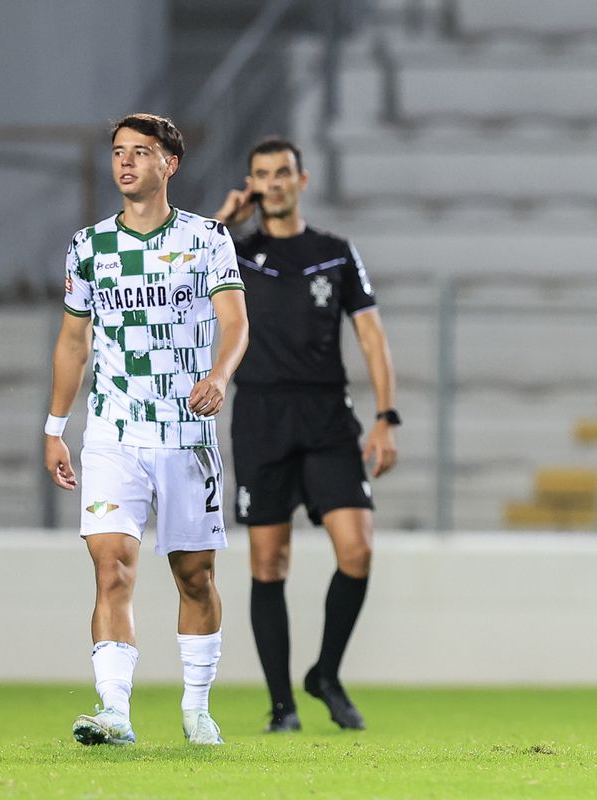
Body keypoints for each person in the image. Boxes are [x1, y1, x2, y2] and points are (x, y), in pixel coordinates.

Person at [45, 113, 249, 746]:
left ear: (170, 165)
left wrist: (219, 374)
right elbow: (74, 341)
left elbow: (236, 323)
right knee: (112, 568)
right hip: (113, 431)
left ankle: (196, 708)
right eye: (117, 152)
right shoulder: (88, 246)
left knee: (195, 576)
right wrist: (56, 425)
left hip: (186, 434)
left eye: (140, 152)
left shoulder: (208, 238)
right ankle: (114, 712)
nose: (125, 162)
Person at [214, 137, 398, 733]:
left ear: (302, 179)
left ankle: (326, 673)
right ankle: (282, 706)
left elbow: (371, 335)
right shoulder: (232, 254)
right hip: (261, 416)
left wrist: (386, 416)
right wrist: (221, 223)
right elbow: (179, 275)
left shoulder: (335, 253)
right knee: (268, 563)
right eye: (262, 173)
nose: (274, 182)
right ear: (253, 184)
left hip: (326, 417)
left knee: (358, 548)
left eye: (283, 172)